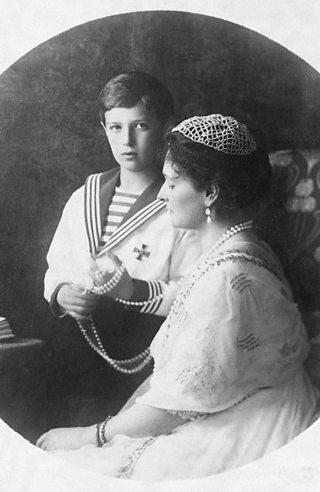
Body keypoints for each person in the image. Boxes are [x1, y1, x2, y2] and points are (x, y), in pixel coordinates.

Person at [37, 114, 318, 481]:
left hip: (249, 428)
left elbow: (175, 407)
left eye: (172, 182)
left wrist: (90, 436)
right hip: (236, 407)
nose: (161, 193)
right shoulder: (235, 247)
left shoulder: (229, 277)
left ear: (210, 193)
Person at [43, 72, 201, 425]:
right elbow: (59, 263)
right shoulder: (85, 196)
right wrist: (62, 291)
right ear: (104, 128)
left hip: (145, 349)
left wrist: (135, 289)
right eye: (115, 127)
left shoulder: (181, 202)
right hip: (81, 346)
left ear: (164, 128)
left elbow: (198, 290)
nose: (127, 141)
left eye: (141, 126)